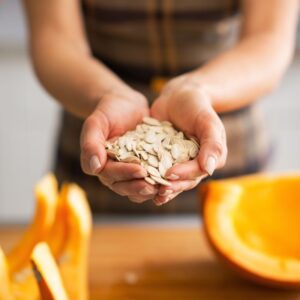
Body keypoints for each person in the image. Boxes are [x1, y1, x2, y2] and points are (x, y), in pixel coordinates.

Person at [23, 0, 298, 213]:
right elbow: (55, 39)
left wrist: (197, 90)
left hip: (229, 148)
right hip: (99, 140)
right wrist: (108, 94)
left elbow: (268, 39)